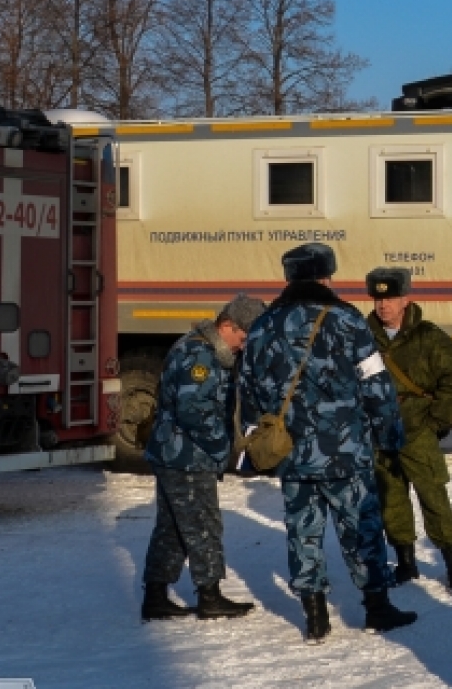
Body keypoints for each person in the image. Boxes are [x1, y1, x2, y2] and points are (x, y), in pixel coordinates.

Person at [241, 244, 416, 642]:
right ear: (325, 277)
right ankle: (377, 607)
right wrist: (389, 435)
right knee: (360, 527)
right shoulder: (346, 320)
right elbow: (375, 382)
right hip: (345, 451)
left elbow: (247, 389)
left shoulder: (263, 325)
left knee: (303, 530)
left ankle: (315, 615)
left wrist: (254, 443)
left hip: (290, 452)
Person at [141, 294, 267, 622]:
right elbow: (194, 411)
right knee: (203, 524)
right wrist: (223, 449)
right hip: (186, 456)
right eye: (242, 337)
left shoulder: (204, 349)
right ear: (227, 326)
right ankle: (209, 596)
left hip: (175, 452)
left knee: (171, 527)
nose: (243, 345)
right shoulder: (200, 354)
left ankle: (155, 596)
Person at [365, 267, 452, 594]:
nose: (384, 306)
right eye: (378, 299)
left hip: (418, 429)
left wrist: (436, 422)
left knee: (434, 497)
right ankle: (406, 562)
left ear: (406, 299)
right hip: (379, 430)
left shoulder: (429, 337)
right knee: (390, 498)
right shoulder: (363, 336)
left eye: (391, 298)